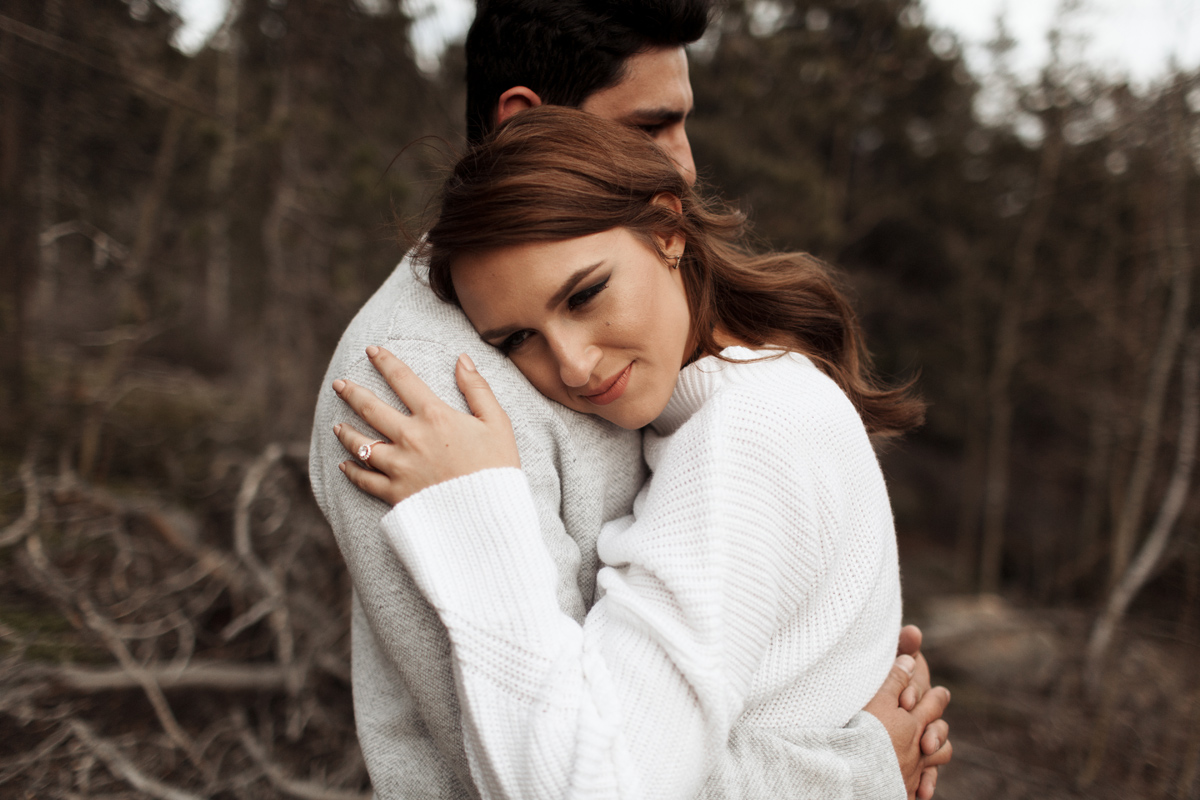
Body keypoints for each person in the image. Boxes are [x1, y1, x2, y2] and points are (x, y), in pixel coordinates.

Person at [308, 1, 950, 798]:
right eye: (650, 128)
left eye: (584, 296)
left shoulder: (739, 416)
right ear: (523, 121)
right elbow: (516, 776)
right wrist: (858, 770)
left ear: (667, 231)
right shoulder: (420, 381)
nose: (682, 163)